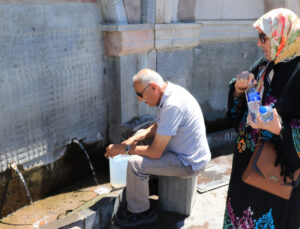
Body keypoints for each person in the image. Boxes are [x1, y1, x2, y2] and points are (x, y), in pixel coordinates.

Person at [223, 8, 300, 229]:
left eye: (263, 37)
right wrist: (238, 89)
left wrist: (280, 129)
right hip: (245, 171)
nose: (259, 44)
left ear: (282, 34)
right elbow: (236, 114)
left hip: (275, 178)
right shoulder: (266, 64)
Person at [105, 68, 211, 227]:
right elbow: (160, 125)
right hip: (186, 152)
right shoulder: (171, 91)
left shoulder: (172, 105)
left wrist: (124, 149)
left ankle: (140, 213)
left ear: (153, 87)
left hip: (188, 163)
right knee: (140, 137)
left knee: (134, 163)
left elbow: (155, 152)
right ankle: (146, 185)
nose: (140, 100)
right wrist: (137, 137)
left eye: (140, 94)